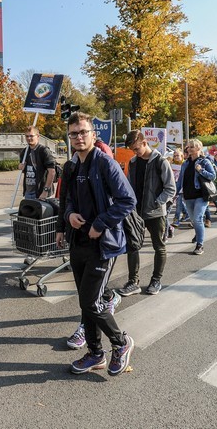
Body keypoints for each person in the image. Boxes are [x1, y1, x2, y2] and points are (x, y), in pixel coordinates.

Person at [63, 112, 135, 376]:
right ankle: (95, 354)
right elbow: (67, 199)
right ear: (69, 138)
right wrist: (69, 216)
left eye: (83, 132)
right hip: (78, 241)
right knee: (85, 302)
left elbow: (127, 200)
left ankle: (121, 342)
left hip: (102, 244)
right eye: (74, 133)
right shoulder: (71, 166)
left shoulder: (105, 163)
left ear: (94, 135)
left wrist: (99, 224)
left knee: (92, 301)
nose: (79, 137)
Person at [115, 130, 176, 297]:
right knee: (133, 247)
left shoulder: (160, 161)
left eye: (136, 148)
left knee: (159, 247)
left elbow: (171, 188)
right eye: (132, 150)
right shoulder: (133, 162)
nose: (134, 152)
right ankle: (133, 282)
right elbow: (129, 186)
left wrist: (157, 202)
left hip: (155, 212)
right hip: (136, 213)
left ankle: (156, 280)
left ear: (144, 143)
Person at [177, 139, 216, 255]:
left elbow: (213, 176)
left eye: (191, 147)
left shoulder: (204, 162)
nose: (188, 149)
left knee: (198, 219)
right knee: (194, 220)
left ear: (198, 148)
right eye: (188, 147)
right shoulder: (185, 163)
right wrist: (174, 193)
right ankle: (198, 233)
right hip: (188, 195)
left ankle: (200, 245)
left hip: (201, 195)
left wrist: (201, 170)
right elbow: (180, 180)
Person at [18, 126, 57, 200]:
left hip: (42, 192)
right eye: (27, 136)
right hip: (28, 192)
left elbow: (52, 172)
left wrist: (45, 191)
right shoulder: (24, 152)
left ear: (38, 136)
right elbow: (25, 170)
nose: (29, 138)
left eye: (31, 136)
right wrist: (20, 167)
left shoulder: (44, 151)